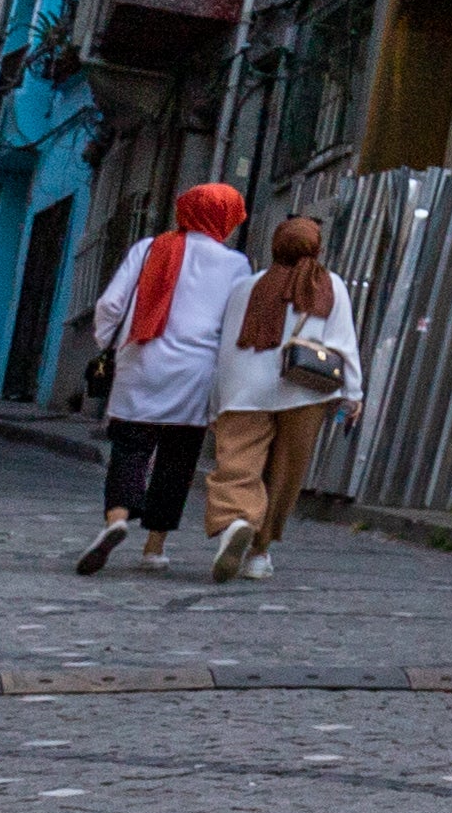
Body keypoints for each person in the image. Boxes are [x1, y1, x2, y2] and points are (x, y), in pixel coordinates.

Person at [77, 178, 249, 574]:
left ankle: (116, 519)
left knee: (130, 449)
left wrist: (111, 343)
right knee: (177, 458)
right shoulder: (236, 264)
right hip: (195, 371)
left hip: (141, 360)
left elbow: (111, 303)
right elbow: (235, 327)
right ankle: (154, 548)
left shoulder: (149, 248)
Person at [202, 212, 353, 584]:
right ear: (316, 247)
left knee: (238, 465)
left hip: (244, 389)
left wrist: (215, 400)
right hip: (305, 390)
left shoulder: (246, 287)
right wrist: (353, 393)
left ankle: (238, 520)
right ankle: (259, 552)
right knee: (285, 475)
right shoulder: (330, 286)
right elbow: (342, 343)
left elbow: (225, 347)